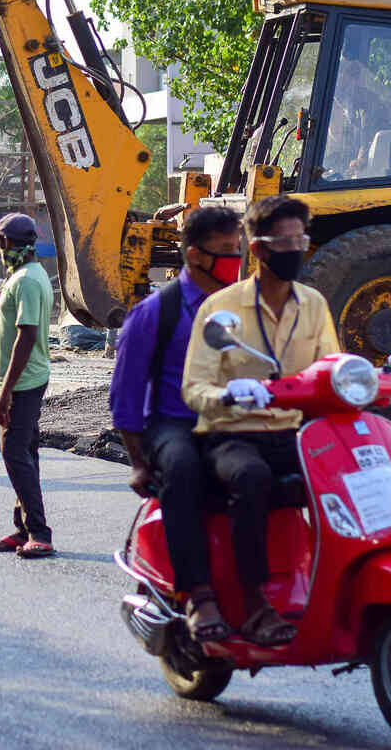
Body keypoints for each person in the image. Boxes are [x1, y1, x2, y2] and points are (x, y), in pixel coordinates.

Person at [182, 194, 391, 645]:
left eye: (301, 240)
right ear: (257, 249)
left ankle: (339, 585)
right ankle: (254, 605)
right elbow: (194, 390)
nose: (296, 249)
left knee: (353, 476)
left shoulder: (312, 304)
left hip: (294, 431)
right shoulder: (221, 310)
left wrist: (380, 376)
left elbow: (329, 370)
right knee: (252, 477)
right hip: (230, 435)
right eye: (284, 241)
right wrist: (230, 393)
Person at [112, 206, 244, 642]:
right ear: (193, 256)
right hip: (174, 424)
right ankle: (200, 595)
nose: (235, 258)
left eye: (238, 248)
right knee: (184, 470)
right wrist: (138, 462)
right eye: (225, 251)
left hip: (231, 421)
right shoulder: (155, 312)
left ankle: (261, 588)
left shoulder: (245, 306)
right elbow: (127, 395)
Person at [0, 212, 55, 559]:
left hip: (24, 381)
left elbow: (26, 336)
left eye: (0, 242)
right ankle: (23, 528)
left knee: (14, 452)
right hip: (28, 377)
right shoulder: (28, 274)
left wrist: (6, 390)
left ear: (11, 245)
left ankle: (39, 531)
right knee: (25, 451)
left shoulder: (26, 280)